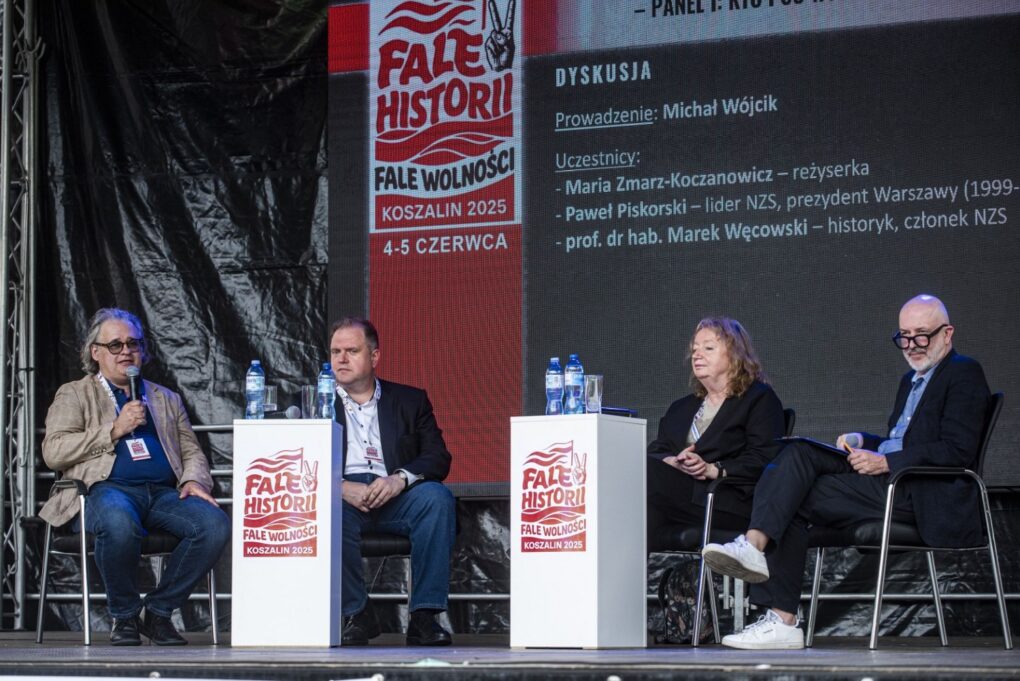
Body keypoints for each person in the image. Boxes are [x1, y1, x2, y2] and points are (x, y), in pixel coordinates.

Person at [702, 294, 990, 650]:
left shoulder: (963, 372)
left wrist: (885, 461)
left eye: (921, 335)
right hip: (890, 480)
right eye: (904, 335)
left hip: (919, 490)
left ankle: (777, 607)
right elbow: (903, 440)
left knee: (792, 491)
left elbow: (956, 449)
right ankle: (768, 585)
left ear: (947, 334)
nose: (912, 345)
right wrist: (863, 439)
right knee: (795, 453)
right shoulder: (910, 381)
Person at [40, 308, 230, 646]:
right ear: (95, 352)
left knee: (213, 524)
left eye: (133, 343)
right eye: (115, 345)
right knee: (117, 522)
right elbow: (54, 450)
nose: (126, 351)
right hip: (102, 490)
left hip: (161, 494)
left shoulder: (165, 398)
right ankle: (124, 617)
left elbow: (191, 451)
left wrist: (193, 481)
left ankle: (156, 613)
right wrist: (114, 429)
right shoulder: (75, 393)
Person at [647, 317, 785, 639]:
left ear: (735, 355)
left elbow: (767, 459)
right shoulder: (683, 407)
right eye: (695, 349)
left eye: (709, 348)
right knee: (640, 511)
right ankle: (610, 611)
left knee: (640, 480)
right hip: (676, 496)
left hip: (725, 499)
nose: (697, 355)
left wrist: (714, 469)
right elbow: (656, 451)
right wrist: (673, 461)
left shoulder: (758, 400)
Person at [330, 317, 456, 647]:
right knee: (324, 508)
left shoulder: (410, 400)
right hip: (343, 495)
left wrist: (400, 479)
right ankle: (356, 615)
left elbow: (438, 457)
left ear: (374, 357)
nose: (341, 359)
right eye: (335, 352)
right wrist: (339, 486)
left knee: (436, 498)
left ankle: (424, 617)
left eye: (351, 351)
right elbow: (298, 463)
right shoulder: (313, 401)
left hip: (395, 494)